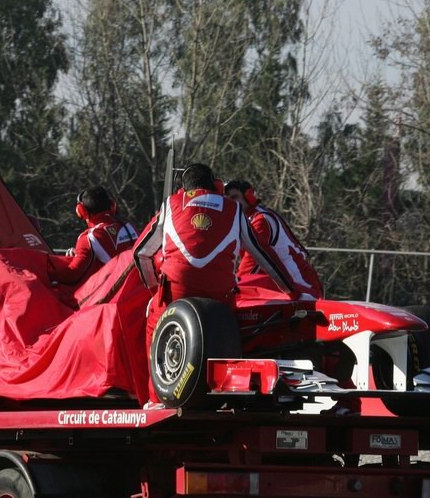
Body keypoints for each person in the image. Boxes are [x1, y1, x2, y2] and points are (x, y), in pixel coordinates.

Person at [134, 163, 298, 407]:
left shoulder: (170, 205)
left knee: (152, 322)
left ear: (183, 189)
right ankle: (225, 394)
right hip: (220, 295)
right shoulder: (235, 211)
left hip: (177, 291)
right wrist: (290, 290)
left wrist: (154, 289)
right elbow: (263, 254)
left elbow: (140, 254)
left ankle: (157, 399)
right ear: (216, 185)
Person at [224, 179, 323, 300]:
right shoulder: (247, 219)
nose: (230, 202)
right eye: (227, 199)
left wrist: (230, 288)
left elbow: (250, 265)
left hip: (301, 286)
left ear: (248, 196)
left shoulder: (260, 220)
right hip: (286, 286)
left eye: (234, 197)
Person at [47, 186, 138, 285]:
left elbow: (72, 275)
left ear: (82, 211)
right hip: (141, 290)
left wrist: (44, 274)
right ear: (112, 206)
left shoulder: (88, 237)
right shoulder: (130, 228)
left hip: (118, 296)